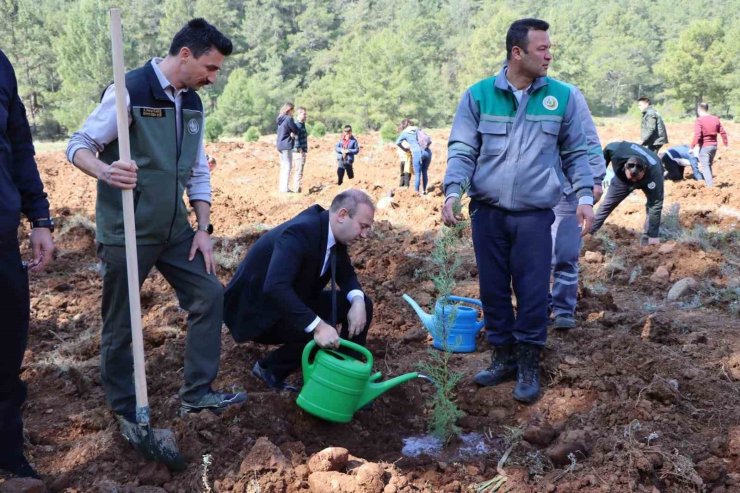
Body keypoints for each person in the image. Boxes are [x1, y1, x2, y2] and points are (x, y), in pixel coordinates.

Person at [65, 19, 246, 436]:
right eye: (211, 68)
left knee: (208, 294)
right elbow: (78, 145)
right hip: (127, 230)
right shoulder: (131, 91)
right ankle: (126, 408)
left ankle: (198, 392)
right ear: (185, 55)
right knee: (122, 322)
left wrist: (203, 227)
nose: (213, 79)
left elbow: (198, 171)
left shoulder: (194, 105)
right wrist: (107, 171)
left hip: (176, 232)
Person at [442, 18, 594, 404]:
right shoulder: (478, 96)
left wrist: (585, 197)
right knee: (492, 289)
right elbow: (462, 149)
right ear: (517, 52)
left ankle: (529, 362)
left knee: (531, 289)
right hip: (488, 212)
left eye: (549, 48)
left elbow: (578, 152)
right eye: (541, 48)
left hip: (534, 214)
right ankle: (502, 357)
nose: (549, 55)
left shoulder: (563, 97)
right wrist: (452, 192)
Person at [223, 189, 375, 391]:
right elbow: (275, 287)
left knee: (362, 304)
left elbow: (346, 275)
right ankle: (269, 369)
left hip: (288, 301)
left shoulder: (331, 234)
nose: (365, 235)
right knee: (314, 325)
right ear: (342, 215)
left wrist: (357, 302)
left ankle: (343, 378)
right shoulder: (301, 232)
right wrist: (319, 326)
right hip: (256, 312)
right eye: (363, 226)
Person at [0, 49, 55, 480]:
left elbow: (19, 145)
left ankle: (8, 455)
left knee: (6, 349)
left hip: (1, 239)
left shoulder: (1, 66)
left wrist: (39, 217)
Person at [549, 87, 606, 330]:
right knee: (531, 255)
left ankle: (562, 308)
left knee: (564, 252)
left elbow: (589, 140)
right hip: (526, 192)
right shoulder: (512, 93)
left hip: (566, 188)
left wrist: (594, 178)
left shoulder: (567, 94)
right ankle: (536, 305)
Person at [589, 141, 664, 246]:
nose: (634, 180)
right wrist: (597, 179)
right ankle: (589, 232)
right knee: (608, 203)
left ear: (644, 170)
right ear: (625, 166)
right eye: (631, 177)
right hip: (622, 181)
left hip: (649, 180)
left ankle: (648, 239)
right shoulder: (617, 151)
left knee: (652, 205)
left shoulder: (654, 174)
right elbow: (606, 151)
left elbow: (656, 204)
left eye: (636, 177)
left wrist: (653, 235)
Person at [691, 102, 729, 188]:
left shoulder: (699, 120)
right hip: (714, 147)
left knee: (705, 167)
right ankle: (710, 185)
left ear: (699, 110)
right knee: (708, 165)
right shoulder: (715, 119)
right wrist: (726, 144)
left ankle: (710, 188)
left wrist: (692, 147)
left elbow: (697, 135)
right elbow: (723, 132)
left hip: (705, 147)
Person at [396, 119, 432, 194]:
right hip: (427, 152)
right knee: (424, 172)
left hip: (417, 153)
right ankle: (424, 191)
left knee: (418, 173)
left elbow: (397, 142)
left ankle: (416, 193)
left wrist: (405, 149)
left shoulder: (405, 132)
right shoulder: (418, 129)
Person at [276, 102, 299, 193]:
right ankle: (285, 189)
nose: (293, 112)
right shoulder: (289, 119)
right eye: (293, 110)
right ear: (289, 110)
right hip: (287, 145)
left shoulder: (280, 119)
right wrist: (292, 135)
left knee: (283, 167)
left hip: (280, 145)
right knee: (288, 167)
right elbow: (295, 129)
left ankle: (283, 188)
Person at [292, 107, 308, 193]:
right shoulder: (297, 125)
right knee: (298, 171)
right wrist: (301, 151)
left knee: (298, 171)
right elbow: (296, 139)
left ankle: (296, 188)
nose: (306, 116)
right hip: (298, 153)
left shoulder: (302, 124)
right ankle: (296, 190)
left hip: (299, 152)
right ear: (299, 114)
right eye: (304, 114)